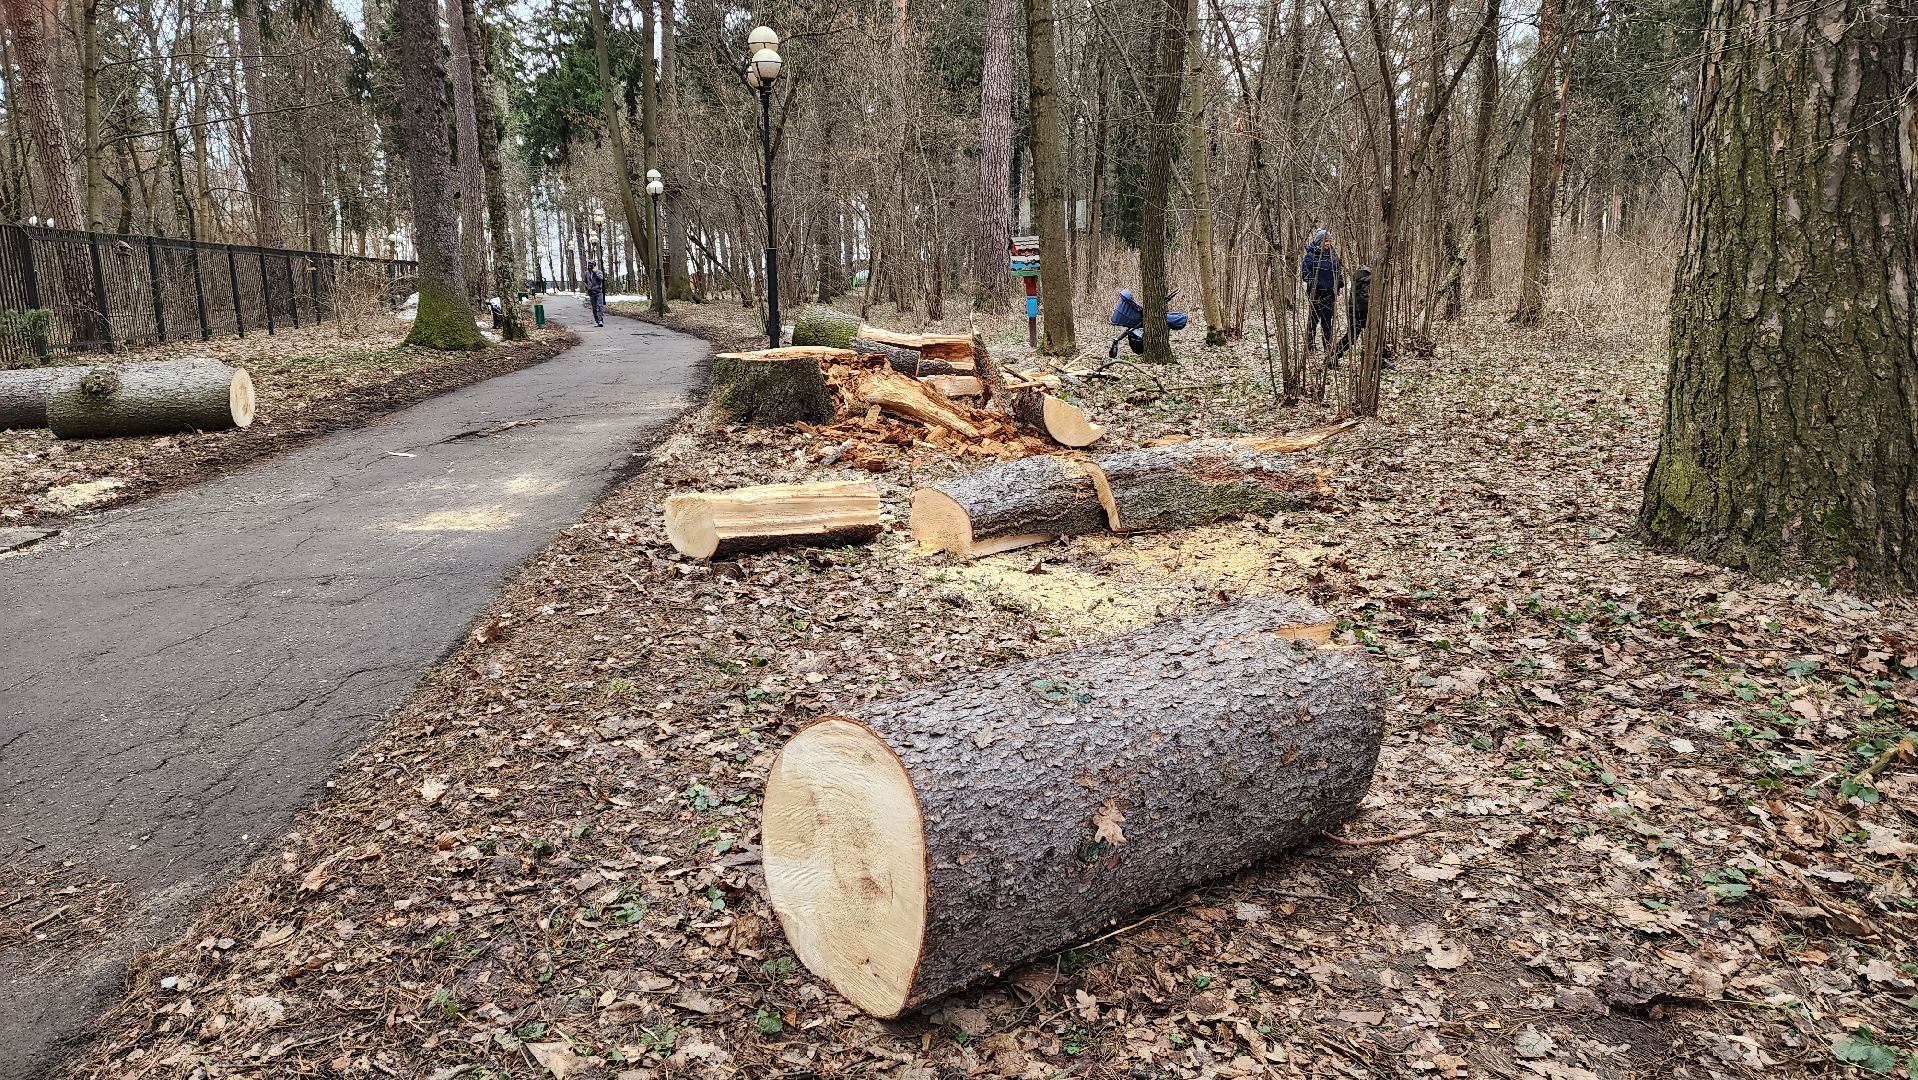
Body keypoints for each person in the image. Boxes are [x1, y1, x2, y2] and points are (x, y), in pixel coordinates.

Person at [1299, 230, 1343, 353]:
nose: (1328, 243)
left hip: (1330, 296)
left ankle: (1327, 348)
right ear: (1319, 241)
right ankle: (1310, 346)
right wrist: (1316, 283)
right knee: (1313, 322)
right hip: (1316, 296)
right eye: (1325, 241)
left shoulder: (1333, 256)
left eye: (1329, 241)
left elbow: (1338, 272)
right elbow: (1305, 274)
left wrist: (1339, 283)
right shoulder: (1310, 256)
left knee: (1327, 323)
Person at [583, 261, 606, 327]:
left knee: (600, 306)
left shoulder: (599, 272)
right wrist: (587, 287)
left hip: (598, 292)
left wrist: (595, 272)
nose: (590, 266)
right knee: (594, 308)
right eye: (589, 265)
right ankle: (597, 321)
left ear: (594, 265)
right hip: (591, 292)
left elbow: (601, 279)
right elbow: (584, 281)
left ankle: (600, 320)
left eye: (591, 265)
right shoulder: (586, 273)